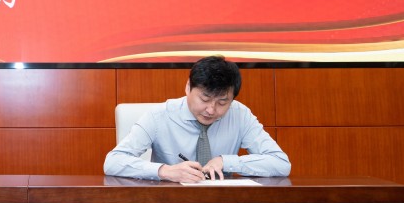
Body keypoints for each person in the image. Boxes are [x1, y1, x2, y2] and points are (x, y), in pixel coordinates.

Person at [104, 56, 290, 182]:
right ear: (188, 87)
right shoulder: (159, 116)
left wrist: (226, 162)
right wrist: (165, 171)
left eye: (222, 102)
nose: (211, 110)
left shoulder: (240, 115)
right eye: (205, 99)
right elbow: (113, 162)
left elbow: (280, 164)